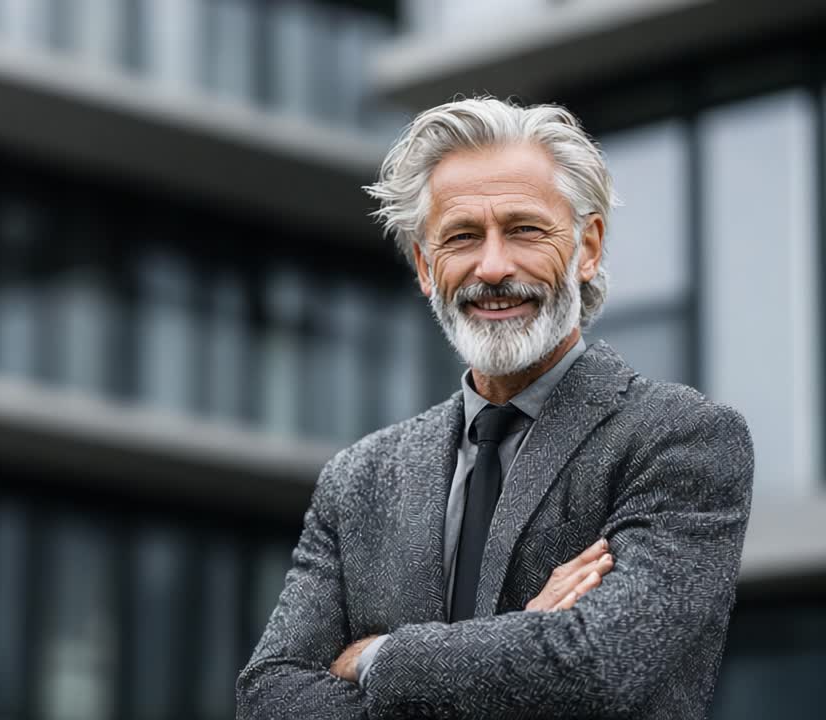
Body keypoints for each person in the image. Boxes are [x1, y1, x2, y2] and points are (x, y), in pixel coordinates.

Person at [236, 97, 754, 719]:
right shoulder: (358, 481)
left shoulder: (680, 440)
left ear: (587, 247)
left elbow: (600, 665)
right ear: (427, 267)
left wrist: (379, 658)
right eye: (461, 237)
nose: (493, 266)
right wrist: (523, 643)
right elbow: (268, 695)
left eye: (524, 229)